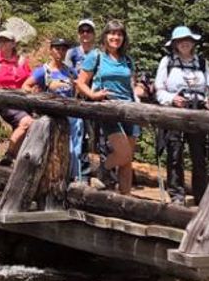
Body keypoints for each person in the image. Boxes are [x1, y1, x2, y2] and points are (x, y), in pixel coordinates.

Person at [75, 21, 147, 194]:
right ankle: (103, 171)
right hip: (108, 108)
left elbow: (132, 84)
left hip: (130, 110)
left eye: (119, 34)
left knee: (127, 161)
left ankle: (125, 200)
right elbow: (80, 82)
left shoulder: (127, 60)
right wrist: (93, 95)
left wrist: (140, 89)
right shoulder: (96, 56)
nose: (116, 37)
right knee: (123, 154)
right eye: (112, 34)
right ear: (105, 36)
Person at [154, 26, 209, 204]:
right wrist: (172, 99)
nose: (185, 43)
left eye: (188, 40)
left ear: (193, 42)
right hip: (175, 112)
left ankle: (201, 195)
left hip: (198, 112)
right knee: (175, 153)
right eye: (180, 40)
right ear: (174, 44)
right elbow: (159, 89)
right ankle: (176, 194)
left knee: (199, 155)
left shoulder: (202, 63)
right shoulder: (167, 62)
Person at [29, 37, 84, 181]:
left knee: (73, 148)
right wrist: (38, 97)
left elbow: (79, 88)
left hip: (69, 115)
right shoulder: (43, 71)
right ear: (51, 50)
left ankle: (72, 177)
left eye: (64, 49)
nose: (61, 52)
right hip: (50, 115)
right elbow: (26, 86)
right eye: (57, 48)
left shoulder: (70, 72)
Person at [0, 31, 36, 164]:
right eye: (0, 41)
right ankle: (8, 155)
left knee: (26, 128)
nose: (2, 44)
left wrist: (31, 88)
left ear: (13, 43)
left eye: (6, 41)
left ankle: (18, 162)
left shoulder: (21, 61)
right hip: (6, 102)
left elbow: (31, 79)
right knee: (27, 122)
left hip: (24, 102)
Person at [68, 19, 98, 179]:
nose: (85, 34)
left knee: (96, 136)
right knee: (80, 135)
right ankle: (81, 174)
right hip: (77, 99)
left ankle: (100, 174)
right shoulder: (72, 53)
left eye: (88, 31)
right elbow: (66, 71)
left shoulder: (98, 53)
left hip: (95, 99)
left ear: (94, 34)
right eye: (82, 31)